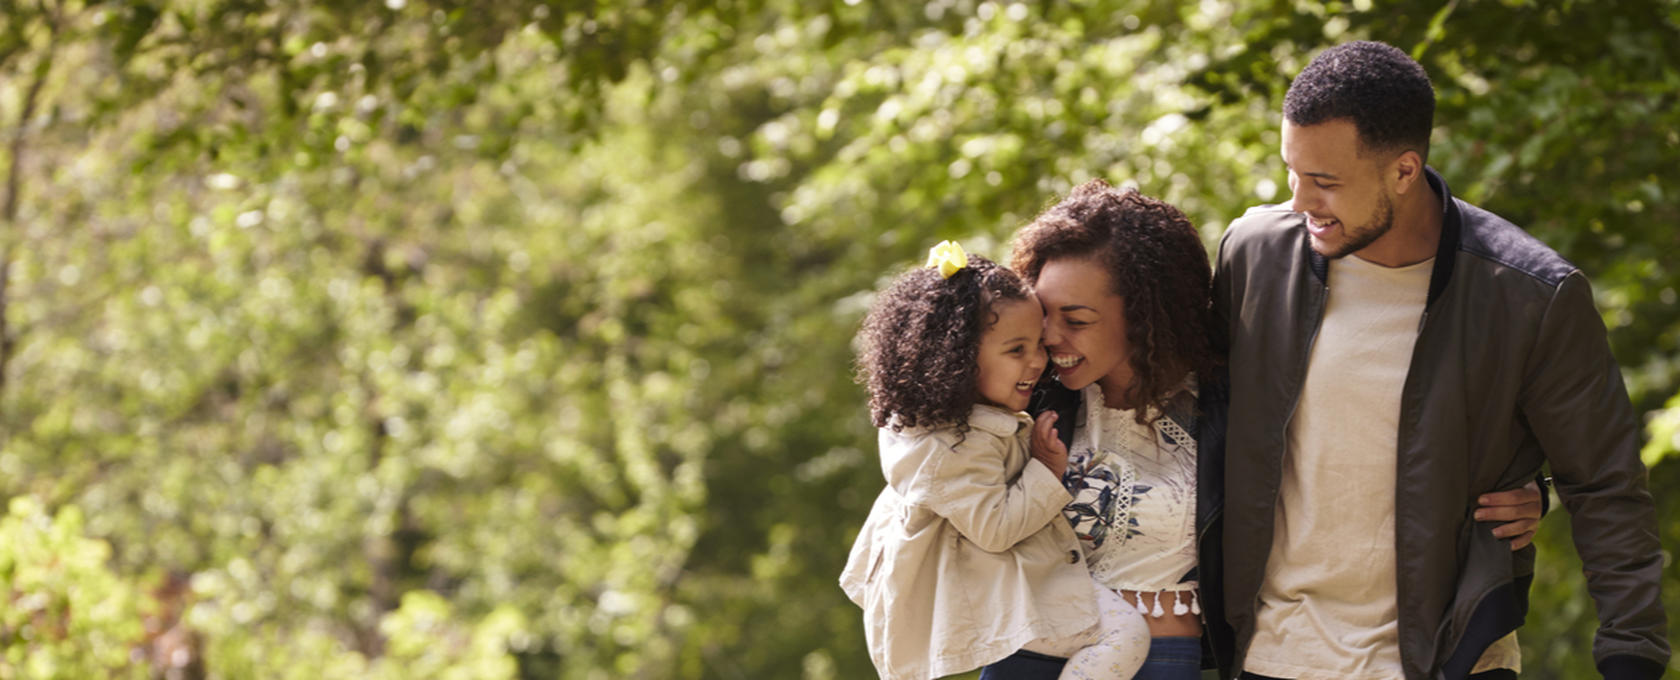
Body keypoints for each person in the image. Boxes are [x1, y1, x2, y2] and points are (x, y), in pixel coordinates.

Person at [1210, 40, 1670, 680]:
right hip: (1274, 654)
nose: (1298, 201)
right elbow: (1197, 422)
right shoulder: (1255, 254)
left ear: (1404, 169)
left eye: (1325, 182)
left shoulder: (1529, 294)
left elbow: (1605, 484)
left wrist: (1633, 656)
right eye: (1292, 171)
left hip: (1454, 655)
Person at [979, 180, 1545, 680]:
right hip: (1028, 646)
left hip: (1161, 654)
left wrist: (1533, 491)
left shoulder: (1233, 400)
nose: (1049, 337)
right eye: (1044, 313)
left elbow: (1382, 440)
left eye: (1076, 320)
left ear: (1145, 314)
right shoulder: (1031, 396)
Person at [840, 242, 1152, 680]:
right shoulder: (949, 447)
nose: (1038, 362)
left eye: (1037, 346)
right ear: (958, 359)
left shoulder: (949, 422)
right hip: (985, 591)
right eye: (1016, 350)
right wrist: (1046, 470)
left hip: (1000, 582)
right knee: (1123, 636)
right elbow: (997, 528)